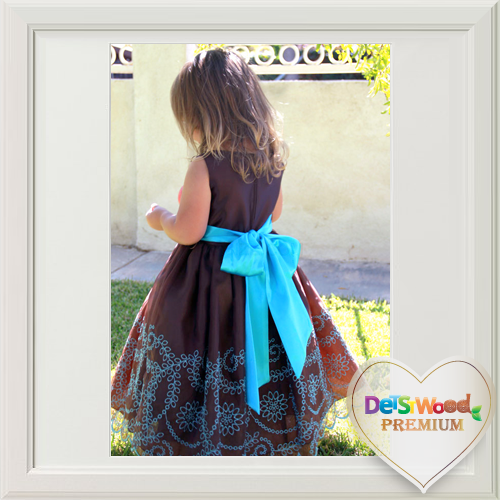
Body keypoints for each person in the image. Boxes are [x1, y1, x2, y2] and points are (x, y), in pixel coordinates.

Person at [110, 47, 360, 456]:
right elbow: (273, 214)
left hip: (210, 279)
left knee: (208, 348)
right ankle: (276, 429)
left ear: (200, 114)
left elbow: (189, 231)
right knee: (272, 351)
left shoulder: (205, 165)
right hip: (266, 272)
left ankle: (197, 431)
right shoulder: (272, 155)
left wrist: (160, 217)